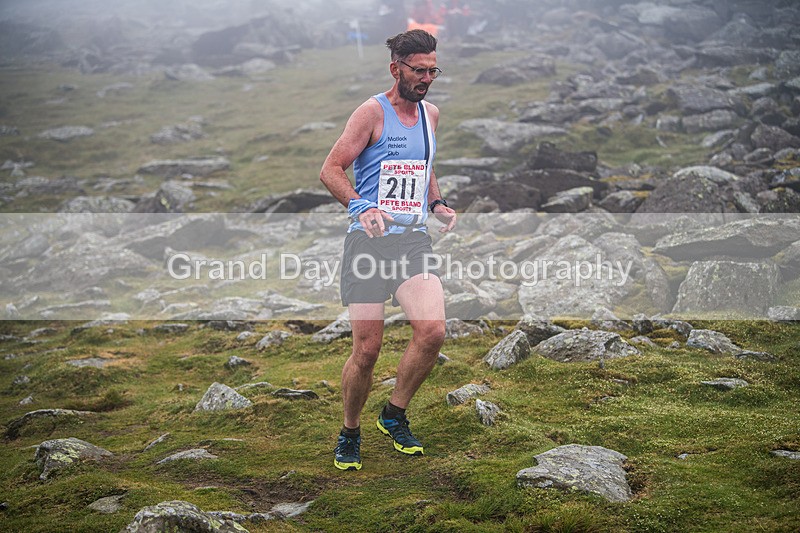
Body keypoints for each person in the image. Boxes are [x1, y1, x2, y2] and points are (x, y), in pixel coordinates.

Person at [320, 29, 457, 471]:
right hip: (368, 244)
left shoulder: (431, 114)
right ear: (395, 67)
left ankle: (393, 414)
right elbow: (331, 169)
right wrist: (361, 206)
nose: (427, 79)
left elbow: (424, 165)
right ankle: (350, 431)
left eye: (433, 70)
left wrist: (435, 202)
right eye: (419, 70)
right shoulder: (371, 112)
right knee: (367, 350)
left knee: (432, 332)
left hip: (413, 240)